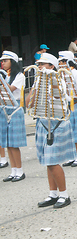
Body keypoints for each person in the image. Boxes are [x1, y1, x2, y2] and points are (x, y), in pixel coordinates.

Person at [29, 53, 75, 208]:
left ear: (52, 67)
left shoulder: (59, 80)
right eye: (39, 64)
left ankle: (64, 195)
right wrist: (36, 88)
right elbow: (29, 104)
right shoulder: (38, 82)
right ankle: (53, 194)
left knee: (53, 161)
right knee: (48, 163)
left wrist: (50, 82)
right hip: (42, 123)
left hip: (56, 124)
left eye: (44, 64)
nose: (40, 66)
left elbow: (61, 98)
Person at [0, 51, 27, 182]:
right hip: (5, 109)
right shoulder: (6, 75)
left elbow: (9, 89)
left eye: (5, 61)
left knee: (14, 143)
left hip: (15, 110)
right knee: (7, 143)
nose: (3, 63)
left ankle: (20, 171)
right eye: (2, 61)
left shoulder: (20, 76)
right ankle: (13, 171)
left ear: (13, 62)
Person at [58, 51, 77, 168]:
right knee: (67, 132)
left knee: (75, 132)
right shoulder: (60, 74)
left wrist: (70, 98)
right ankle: (71, 156)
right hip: (65, 106)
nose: (60, 64)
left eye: (62, 61)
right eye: (60, 62)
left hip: (75, 105)